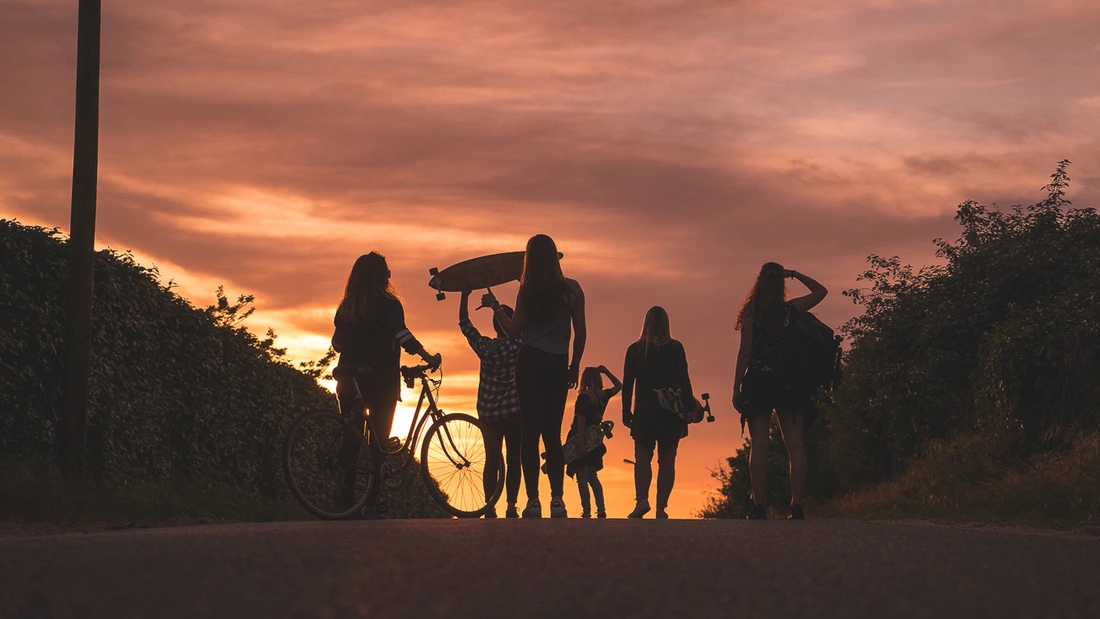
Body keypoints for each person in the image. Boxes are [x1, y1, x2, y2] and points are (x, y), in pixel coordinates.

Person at [483, 234, 586, 518]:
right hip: (557, 364)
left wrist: (495, 308)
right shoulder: (572, 290)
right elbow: (581, 333)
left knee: (530, 434)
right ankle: (558, 500)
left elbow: (513, 331)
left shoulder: (526, 291)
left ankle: (533, 500)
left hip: (528, 364)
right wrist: (574, 366)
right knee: (552, 433)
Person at [331, 252, 441, 518]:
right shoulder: (390, 305)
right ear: (384, 277)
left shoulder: (347, 306)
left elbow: (337, 345)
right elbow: (401, 335)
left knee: (352, 438)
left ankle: (346, 504)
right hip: (381, 381)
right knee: (378, 444)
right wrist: (426, 355)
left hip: (350, 378)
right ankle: (371, 506)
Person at [732, 263, 827, 520]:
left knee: (760, 446)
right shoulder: (790, 309)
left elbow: (746, 352)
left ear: (759, 282)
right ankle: (796, 506)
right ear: (781, 284)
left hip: (759, 382)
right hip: (788, 384)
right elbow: (821, 291)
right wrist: (795, 274)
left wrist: (736, 386)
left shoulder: (751, 313)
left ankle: (759, 506)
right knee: (795, 444)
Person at [622, 306, 693, 519]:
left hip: (644, 409)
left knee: (643, 456)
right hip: (670, 410)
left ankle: (641, 500)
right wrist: (688, 409)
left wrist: (626, 412)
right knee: (667, 459)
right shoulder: (676, 347)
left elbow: (627, 384)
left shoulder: (635, 349)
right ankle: (661, 508)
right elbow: (684, 380)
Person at [458, 289, 523, 519]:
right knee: (514, 458)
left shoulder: (484, 347)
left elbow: (465, 324)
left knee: (492, 459)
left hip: (487, 412)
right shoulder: (518, 346)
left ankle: (490, 507)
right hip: (514, 411)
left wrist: (465, 295)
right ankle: (512, 505)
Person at [565, 366, 622, 519]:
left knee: (582, 477)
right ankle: (601, 509)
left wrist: (581, 444)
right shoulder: (603, 396)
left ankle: (587, 511)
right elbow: (619, 386)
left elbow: (581, 421)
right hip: (595, 441)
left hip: (581, 437)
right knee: (592, 477)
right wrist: (607, 371)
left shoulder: (583, 398)